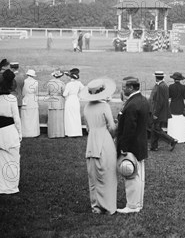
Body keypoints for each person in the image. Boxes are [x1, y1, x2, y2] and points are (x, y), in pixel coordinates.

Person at [79, 78, 118, 214]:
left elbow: (88, 128)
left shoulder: (86, 107)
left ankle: (96, 205)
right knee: (108, 173)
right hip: (104, 140)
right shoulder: (104, 106)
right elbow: (112, 127)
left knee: (93, 174)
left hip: (91, 142)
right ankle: (108, 206)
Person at [116, 76, 150, 214]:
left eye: (124, 87)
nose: (123, 89)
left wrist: (123, 147)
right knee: (139, 176)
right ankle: (138, 203)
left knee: (130, 175)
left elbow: (129, 129)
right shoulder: (143, 100)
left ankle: (132, 206)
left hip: (132, 146)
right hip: (141, 143)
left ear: (131, 88)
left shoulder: (132, 104)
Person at [0, 70, 22, 194]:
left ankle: (0, 186)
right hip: (10, 130)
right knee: (13, 158)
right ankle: (11, 186)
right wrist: (19, 134)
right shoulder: (12, 98)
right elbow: (16, 118)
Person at [149, 71, 178, 151]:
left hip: (159, 112)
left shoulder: (160, 86)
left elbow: (159, 101)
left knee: (156, 129)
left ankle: (172, 140)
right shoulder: (164, 85)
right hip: (163, 111)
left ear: (156, 77)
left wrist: (155, 113)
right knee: (155, 128)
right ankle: (154, 146)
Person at [168, 72, 185, 144]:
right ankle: (181, 138)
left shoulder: (171, 86)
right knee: (180, 123)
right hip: (181, 106)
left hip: (173, 106)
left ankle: (172, 138)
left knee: (173, 123)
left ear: (174, 79)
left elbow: (169, 96)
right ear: (180, 79)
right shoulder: (183, 87)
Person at [63, 68, 84, 137]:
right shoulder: (79, 83)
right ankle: (77, 132)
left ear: (70, 76)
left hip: (69, 100)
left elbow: (64, 94)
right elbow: (84, 90)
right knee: (76, 115)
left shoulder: (68, 84)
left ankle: (70, 132)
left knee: (69, 116)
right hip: (76, 100)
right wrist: (79, 96)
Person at [46, 69, 66, 138]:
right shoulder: (62, 83)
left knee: (52, 118)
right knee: (59, 118)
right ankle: (59, 134)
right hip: (59, 100)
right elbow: (64, 93)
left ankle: (52, 134)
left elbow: (48, 93)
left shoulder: (49, 83)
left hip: (51, 100)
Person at [21, 69, 40, 138]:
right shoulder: (35, 82)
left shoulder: (24, 81)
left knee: (25, 117)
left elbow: (23, 92)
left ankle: (25, 133)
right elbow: (36, 92)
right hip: (33, 99)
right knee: (33, 116)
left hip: (26, 99)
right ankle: (33, 132)